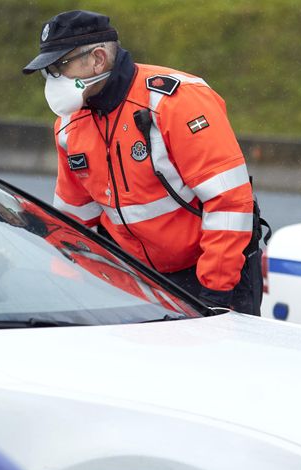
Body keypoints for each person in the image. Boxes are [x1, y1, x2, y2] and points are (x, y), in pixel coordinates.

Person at [22, 10, 264, 315]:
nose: (53, 79)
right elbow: (72, 223)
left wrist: (213, 295)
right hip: (139, 278)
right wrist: (63, 293)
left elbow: (229, 202)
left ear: (97, 59)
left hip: (215, 275)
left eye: (60, 67)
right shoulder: (70, 127)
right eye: (48, 72)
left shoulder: (177, 102)